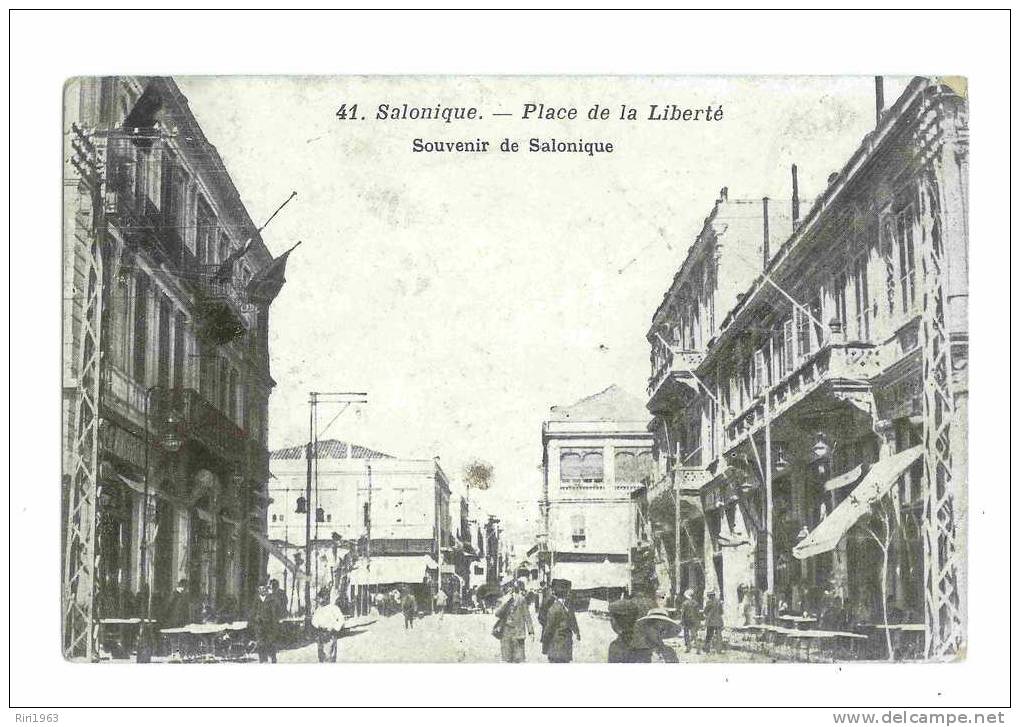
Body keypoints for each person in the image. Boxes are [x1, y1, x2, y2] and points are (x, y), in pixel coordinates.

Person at [494, 580, 534, 663]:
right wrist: (506, 602)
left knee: (518, 660)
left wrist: (531, 631)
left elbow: (527, 616)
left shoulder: (521, 599)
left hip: (518, 633)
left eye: (512, 588)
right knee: (506, 659)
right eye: (507, 588)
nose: (510, 590)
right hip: (505, 633)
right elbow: (497, 613)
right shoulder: (502, 600)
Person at [541, 579, 580, 663]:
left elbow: (548, 629)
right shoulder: (568, 606)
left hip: (556, 647)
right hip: (566, 647)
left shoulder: (554, 608)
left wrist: (545, 642)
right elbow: (573, 620)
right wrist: (577, 632)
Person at [311, 589, 346, 663]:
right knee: (321, 656)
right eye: (319, 598)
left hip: (330, 635)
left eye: (320, 598)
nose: (319, 600)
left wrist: (334, 628)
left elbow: (341, 620)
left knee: (329, 657)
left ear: (326, 597)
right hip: (321, 635)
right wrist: (318, 626)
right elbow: (314, 621)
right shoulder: (318, 609)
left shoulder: (334, 608)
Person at [250, 583, 282, 663]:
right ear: (258, 590)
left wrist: (275, 622)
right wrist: (254, 620)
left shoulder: (271, 599)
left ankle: (273, 658)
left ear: (266, 589)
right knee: (261, 643)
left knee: (270, 642)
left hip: (269, 625)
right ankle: (262, 660)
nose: (262, 590)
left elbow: (276, 611)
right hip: (259, 626)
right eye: (260, 589)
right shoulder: (256, 600)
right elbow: (253, 612)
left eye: (264, 588)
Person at [679, 588, 703, 654]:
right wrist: (699, 621)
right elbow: (698, 613)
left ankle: (688, 648)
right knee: (694, 635)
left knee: (686, 634)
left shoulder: (685, 603)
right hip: (694, 620)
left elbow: (683, 613)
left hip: (687, 621)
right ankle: (698, 649)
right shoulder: (696, 603)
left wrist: (681, 621)